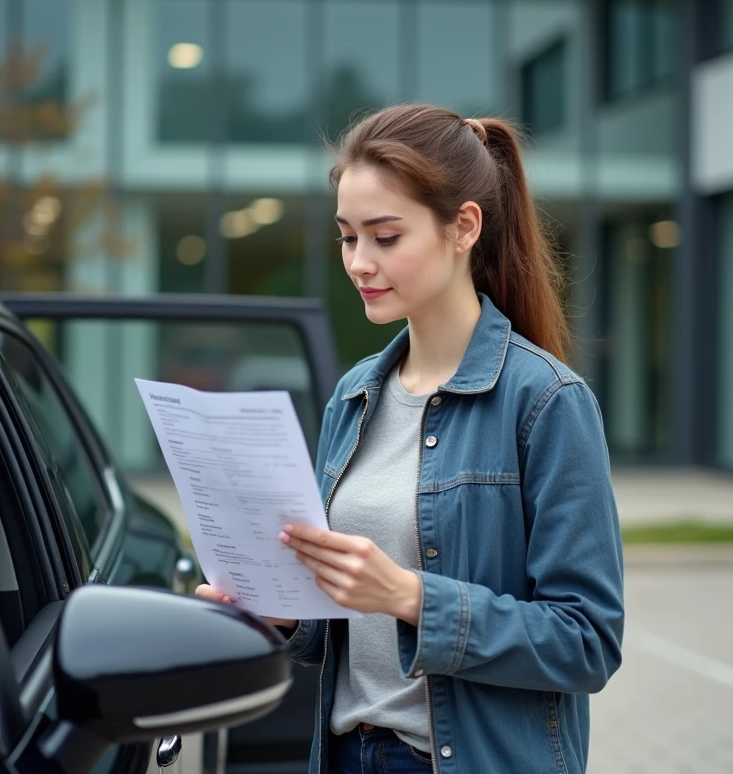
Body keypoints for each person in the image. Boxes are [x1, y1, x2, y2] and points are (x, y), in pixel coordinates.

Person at [197, 103, 624, 774]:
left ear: (464, 227)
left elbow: (587, 641)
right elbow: (341, 625)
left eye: (385, 236)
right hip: (342, 753)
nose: (360, 262)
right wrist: (278, 611)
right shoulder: (354, 395)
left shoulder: (545, 402)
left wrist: (411, 597)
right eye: (347, 237)